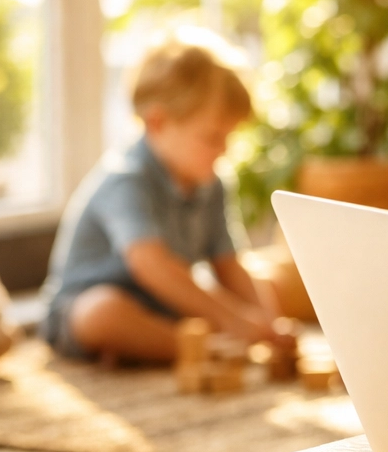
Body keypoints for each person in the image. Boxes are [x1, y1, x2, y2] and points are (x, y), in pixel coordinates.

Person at [41, 30, 285, 363]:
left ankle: (157, 346)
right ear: (158, 122)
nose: (224, 149)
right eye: (213, 137)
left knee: (247, 287)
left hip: (164, 308)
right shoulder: (125, 179)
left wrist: (269, 323)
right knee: (102, 312)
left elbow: (229, 263)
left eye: (230, 137)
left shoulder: (212, 183)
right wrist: (232, 320)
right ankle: (201, 349)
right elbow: (151, 267)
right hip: (86, 306)